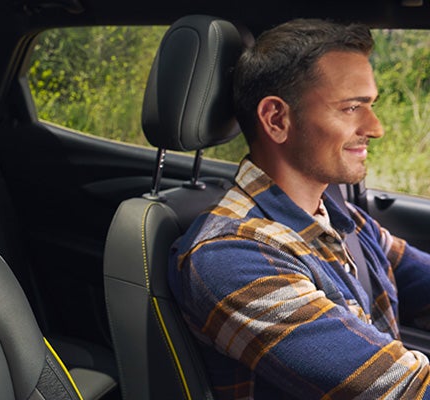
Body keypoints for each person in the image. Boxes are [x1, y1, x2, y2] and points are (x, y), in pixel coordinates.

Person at [169, 19, 430, 399]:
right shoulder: (231, 256)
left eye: (370, 105)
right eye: (351, 108)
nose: (376, 127)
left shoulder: (344, 220)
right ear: (277, 119)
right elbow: (402, 390)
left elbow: (420, 279)